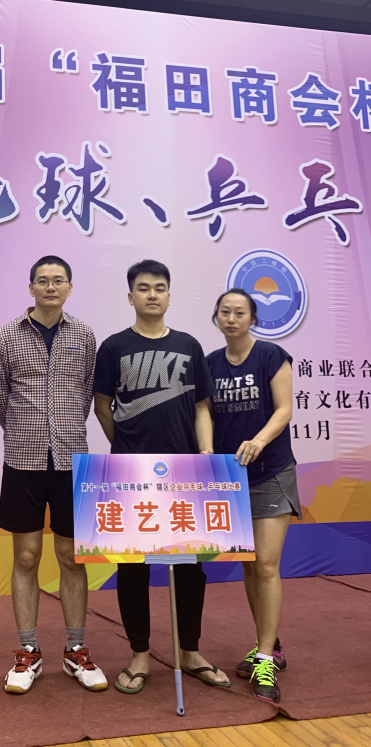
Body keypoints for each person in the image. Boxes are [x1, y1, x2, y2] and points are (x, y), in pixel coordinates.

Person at [93, 259, 231, 694]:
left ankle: (190, 651)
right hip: (130, 474)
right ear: (130, 296)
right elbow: (102, 407)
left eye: (159, 287)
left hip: (186, 473)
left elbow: (202, 407)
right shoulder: (113, 347)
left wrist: (205, 455)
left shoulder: (189, 345)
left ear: (169, 296)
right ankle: (139, 654)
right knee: (132, 567)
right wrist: (126, 447)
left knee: (190, 567)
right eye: (143, 288)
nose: (151, 294)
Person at [0, 255, 107, 695]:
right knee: (26, 557)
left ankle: (76, 650)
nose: (51, 287)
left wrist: (64, 430)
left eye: (59, 280)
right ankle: (28, 652)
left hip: (72, 461)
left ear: (70, 287)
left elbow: (87, 394)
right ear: (31, 287)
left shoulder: (84, 335)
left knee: (72, 557)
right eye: (43, 280)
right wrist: (27, 431)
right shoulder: (6, 336)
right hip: (23, 460)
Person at [208, 288, 298, 705]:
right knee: (249, 565)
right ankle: (269, 644)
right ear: (217, 317)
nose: (232, 318)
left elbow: (284, 410)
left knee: (265, 564)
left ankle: (264, 659)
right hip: (231, 479)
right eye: (225, 312)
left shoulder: (271, 356)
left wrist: (258, 441)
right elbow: (204, 413)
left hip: (270, 472)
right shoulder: (210, 364)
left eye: (240, 312)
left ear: (253, 318)